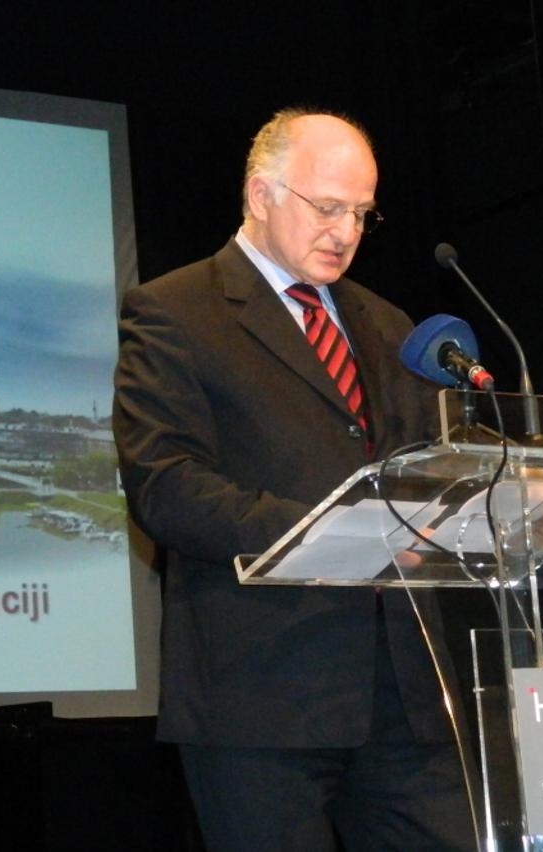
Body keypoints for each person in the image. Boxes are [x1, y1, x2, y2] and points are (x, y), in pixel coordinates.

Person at [112, 109, 476, 851]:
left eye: (362, 214)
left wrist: (486, 502)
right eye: (328, 207)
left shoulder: (387, 323)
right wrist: (337, 534)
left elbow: (422, 466)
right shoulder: (175, 312)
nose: (346, 232)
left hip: (405, 693)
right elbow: (167, 485)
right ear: (261, 194)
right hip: (260, 692)